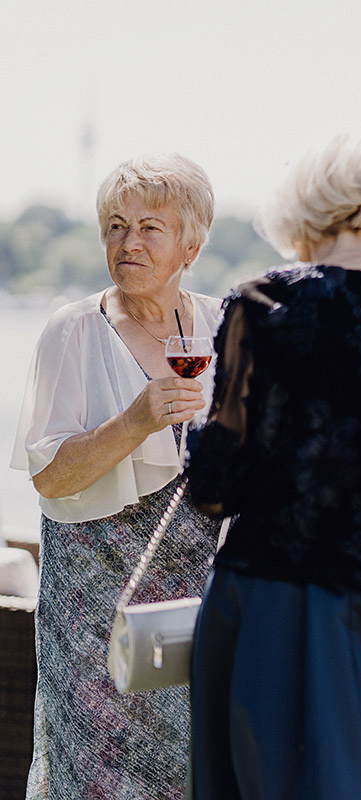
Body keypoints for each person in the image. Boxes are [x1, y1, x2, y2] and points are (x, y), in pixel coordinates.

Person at [184, 135, 361, 799]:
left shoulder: (261, 305)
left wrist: (193, 439)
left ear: (299, 208)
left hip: (272, 600)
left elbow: (214, 488)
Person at [10, 153, 223, 799]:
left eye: (149, 227)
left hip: (195, 605)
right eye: (115, 225)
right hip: (94, 615)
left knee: (192, 773)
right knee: (95, 778)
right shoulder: (74, 329)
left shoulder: (224, 325)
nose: (128, 243)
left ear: (192, 241)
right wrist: (134, 422)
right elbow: (49, 477)